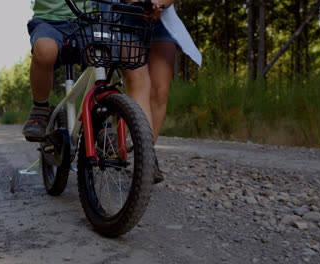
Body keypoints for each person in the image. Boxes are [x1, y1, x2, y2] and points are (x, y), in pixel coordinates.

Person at [22, 0, 201, 183]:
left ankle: (140, 152)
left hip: (108, 19)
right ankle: (42, 109)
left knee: (110, 59)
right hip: (73, 19)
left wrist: (159, 4)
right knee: (49, 51)